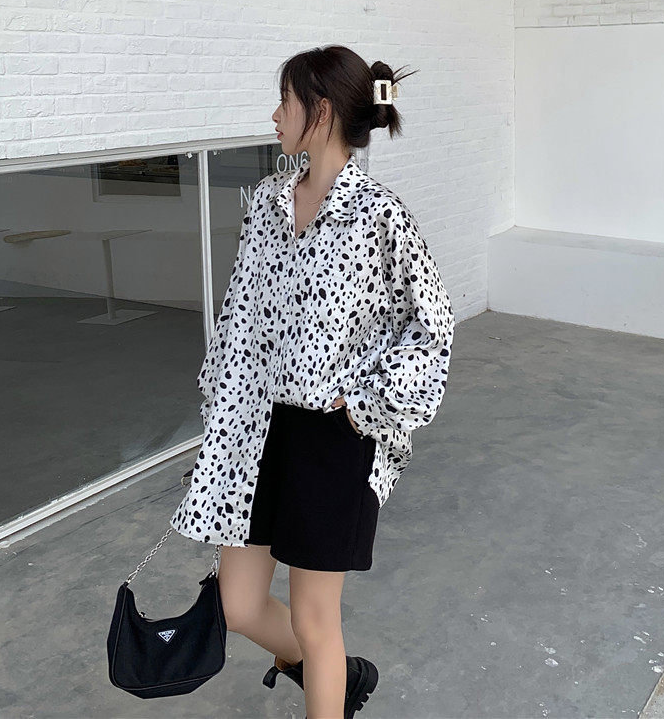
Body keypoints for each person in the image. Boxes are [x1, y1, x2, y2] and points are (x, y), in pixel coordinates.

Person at [170, 45, 456, 719]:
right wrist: (221, 412)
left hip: (334, 436)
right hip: (256, 429)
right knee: (239, 605)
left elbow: (433, 326)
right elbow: (239, 315)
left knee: (315, 619)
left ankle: (329, 682)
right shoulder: (269, 203)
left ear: (320, 112)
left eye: (286, 102)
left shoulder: (380, 215)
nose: (275, 116)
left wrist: (365, 403)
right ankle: (340, 678)